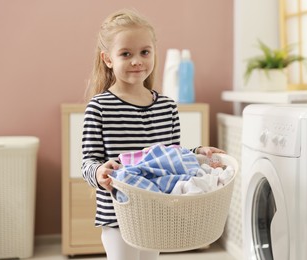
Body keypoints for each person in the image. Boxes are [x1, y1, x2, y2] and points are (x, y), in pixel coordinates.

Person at [81, 9, 225, 260]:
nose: (137, 60)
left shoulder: (167, 106)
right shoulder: (100, 107)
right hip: (119, 213)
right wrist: (99, 171)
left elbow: (171, 158)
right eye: (126, 53)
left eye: (144, 52)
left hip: (154, 210)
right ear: (108, 59)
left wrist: (198, 152)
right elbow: (88, 162)